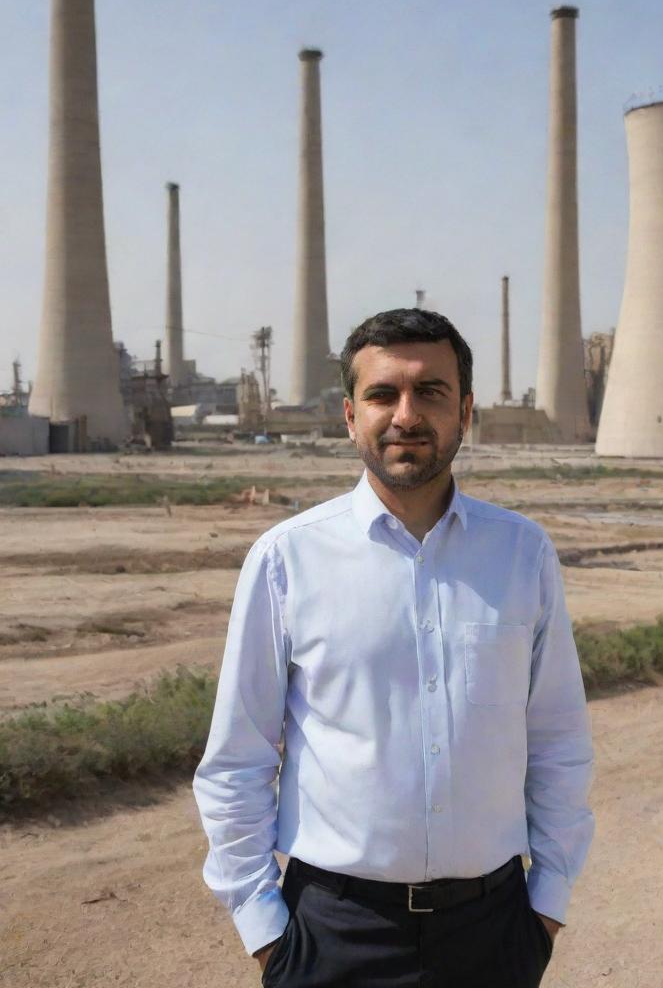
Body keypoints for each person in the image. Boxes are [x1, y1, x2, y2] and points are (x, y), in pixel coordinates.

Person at [193, 308, 594, 988]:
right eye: (383, 394)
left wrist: (545, 911)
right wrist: (268, 937)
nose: (406, 414)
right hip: (336, 935)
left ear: (464, 411)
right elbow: (237, 760)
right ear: (351, 415)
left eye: (430, 392)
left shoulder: (521, 553)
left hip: (493, 933)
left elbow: (557, 742)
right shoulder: (288, 559)